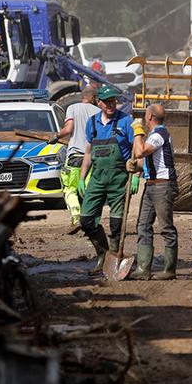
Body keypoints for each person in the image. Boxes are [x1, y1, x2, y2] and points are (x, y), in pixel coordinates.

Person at [78, 85, 136, 274]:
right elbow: (88, 153)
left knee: (116, 224)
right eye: (107, 101)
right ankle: (102, 254)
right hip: (97, 179)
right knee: (86, 220)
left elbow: (137, 150)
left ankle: (115, 258)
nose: (112, 104)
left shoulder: (126, 121)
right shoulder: (92, 123)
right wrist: (81, 177)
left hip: (119, 179)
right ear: (99, 102)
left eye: (114, 101)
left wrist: (136, 175)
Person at [129, 104, 178, 280]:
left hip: (162, 186)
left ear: (149, 116)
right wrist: (135, 167)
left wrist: (137, 131)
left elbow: (141, 151)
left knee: (166, 227)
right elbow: (143, 158)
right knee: (142, 226)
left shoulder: (159, 134)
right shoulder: (155, 135)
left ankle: (169, 270)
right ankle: (143, 268)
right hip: (152, 185)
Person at [58, 86, 101, 234]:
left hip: (75, 156)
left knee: (70, 188)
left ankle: (76, 218)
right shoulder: (98, 112)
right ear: (94, 98)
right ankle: (91, 222)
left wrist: (55, 137)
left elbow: (68, 129)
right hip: (92, 158)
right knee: (88, 190)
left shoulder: (72, 108)